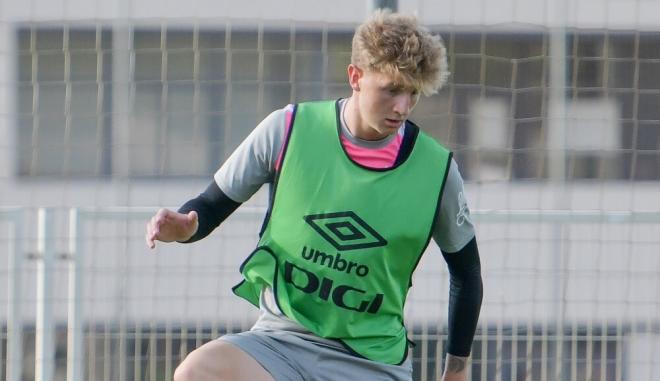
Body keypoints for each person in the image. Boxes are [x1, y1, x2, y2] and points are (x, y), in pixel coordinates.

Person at [146, 10, 482, 381]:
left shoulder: (436, 171)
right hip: (279, 342)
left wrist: (457, 370)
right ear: (355, 76)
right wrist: (185, 226)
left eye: (412, 93)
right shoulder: (287, 130)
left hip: (370, 362)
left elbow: (466, 274)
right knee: (196, 372)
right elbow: (209, 207)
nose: (402, 107)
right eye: (391, 89)